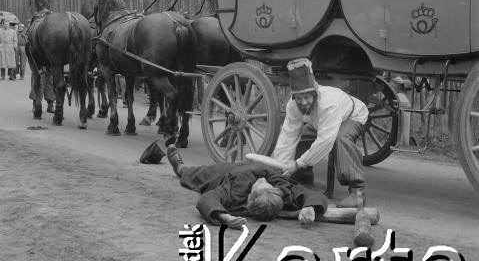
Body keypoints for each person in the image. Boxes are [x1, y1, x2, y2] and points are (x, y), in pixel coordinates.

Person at [141, 143, 328, 229]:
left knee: (194, 174)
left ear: (250, 197)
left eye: (261, 186)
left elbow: (207, 199)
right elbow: (308, 194)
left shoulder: (232, 193)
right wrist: (310, 207)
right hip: (251, 164)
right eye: (267, 185)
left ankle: (179, 166)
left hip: (226, 172)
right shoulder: (279, 190)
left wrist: (224, 217)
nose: (264, 181)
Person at [271, 58, 369, 208]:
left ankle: (357, 193)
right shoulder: (293, 106)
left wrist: (297, 164)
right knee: (302, 137)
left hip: (353, 115)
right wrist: (280, 169)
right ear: (294, 97)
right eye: (299, 98)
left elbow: (325, 141)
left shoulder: (328, 104)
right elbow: (287, 138)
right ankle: (303, 181)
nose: (303, 102)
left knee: (340, 139)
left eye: (307, 97)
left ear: (315, 94)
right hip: (322, 123)